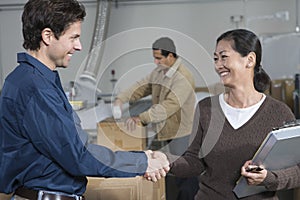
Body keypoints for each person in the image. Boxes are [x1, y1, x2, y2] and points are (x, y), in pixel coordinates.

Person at [0, 0, 169, 200]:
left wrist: (143, 158)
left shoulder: (37, 80)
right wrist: (142, 162)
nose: (78, 46)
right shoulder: (34, 87)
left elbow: (73, 144)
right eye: (74, 38)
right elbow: (77, 155)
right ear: (47, 36)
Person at [167, 28, 300, 199]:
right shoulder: (206, 109)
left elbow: (297, 170)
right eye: (215, 59)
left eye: (224, 57)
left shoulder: (278, 113)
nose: (218, 65)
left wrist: (268, 178)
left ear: (250, 60)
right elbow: (195, 162)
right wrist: (165, 161)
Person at [114, 37, 199, 199]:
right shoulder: (159, 72)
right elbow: (142, 86)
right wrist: (121, 98)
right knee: (165, 172)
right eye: (154, 57)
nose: (155, 61)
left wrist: (142, 117)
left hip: (181, 134)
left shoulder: (183, 77)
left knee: (184, 177)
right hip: (163, 132)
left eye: (159, 58)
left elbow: (170, 105)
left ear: (171, 57)